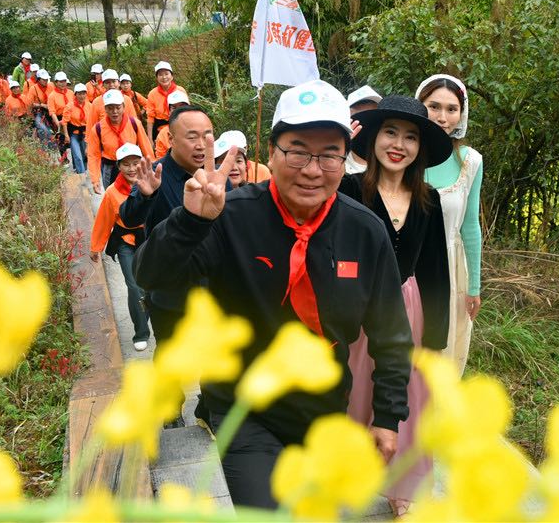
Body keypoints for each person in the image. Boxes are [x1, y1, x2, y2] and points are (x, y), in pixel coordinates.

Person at [132, 80, 413, 509]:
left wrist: (387, 417)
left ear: (346, 156)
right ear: (272, 150)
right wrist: (190, 222)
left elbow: (391, 335)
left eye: (328, 154)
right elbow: (152, 276)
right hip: (243, 408)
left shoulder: (364, 231)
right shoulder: (230, 215)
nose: (312, 169)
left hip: (322, 413)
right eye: (297, 150)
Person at [338, 95, 451, 515]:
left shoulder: (428, 199)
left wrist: (435, 338)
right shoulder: (349, 190)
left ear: (420, 148)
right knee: (356, 391)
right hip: (359, 309)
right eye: (389, 132)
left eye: (410, 136)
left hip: (412, 309)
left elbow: (437, 270)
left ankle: (403, 487)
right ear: (372, 138)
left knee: (410, 400)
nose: (398, 144)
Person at [119, 104, 216, 344]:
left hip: (212, 293)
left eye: (207, 135)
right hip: (170, 295)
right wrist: (145, 196)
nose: (201, 144)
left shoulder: (216, 177)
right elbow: (129, 217)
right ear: (171, 138)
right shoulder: (155, 174)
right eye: (192, 137)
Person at [416, 74, 483, 376]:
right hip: (408, 264)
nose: (443, 117)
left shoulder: (470, 162)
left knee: (443, 351)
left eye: (451, 109)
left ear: (462, 113)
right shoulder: (403, 153)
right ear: (420, 106)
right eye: (434, 106)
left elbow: (470, 226)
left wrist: (474, 286)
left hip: (451, 267)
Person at [91, 143, 152, 351]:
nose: (132, 168)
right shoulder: (112, 192)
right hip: (125, 241)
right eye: (126, 164)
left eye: (136, 163)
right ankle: (141, 332)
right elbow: (104, 220)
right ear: (118, 166)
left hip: (150, 241)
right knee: (134, 286)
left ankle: (146, 312)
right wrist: (96, 247)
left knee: (148, 286)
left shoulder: (152, 184)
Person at [86, 89, 153, 193]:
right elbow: (93, 155)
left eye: (118, 107)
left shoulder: (134, 123)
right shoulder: (98, 128)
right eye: (110, 108)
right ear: (105, 109)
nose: (115, 112)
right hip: (110, 168)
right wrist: (95, 180)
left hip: (133, 167)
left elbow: (146, 147)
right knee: (114, 198)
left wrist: (151, 167)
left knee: (136, 196)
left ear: (124, 107)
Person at [345, 85, 382, 173]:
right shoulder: (338, 155)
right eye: (359, 118)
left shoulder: (390, 156)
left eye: (373, 117)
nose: (366, 124)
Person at [146, 60, 186, 140]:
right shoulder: (152, 94)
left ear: (172, 76)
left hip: (178, 125)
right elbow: (150, 118)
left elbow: (187, 111)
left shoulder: (180, 90)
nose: (164, 77)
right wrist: (149, 139)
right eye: (160, 75)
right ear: (157, 78)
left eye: (166, 74)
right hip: (159, 129)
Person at [152, 90, 190, 160]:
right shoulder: (163, 134)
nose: (178, 110)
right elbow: (160, 160)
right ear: (169, 112)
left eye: (182, 106)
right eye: (174, 108)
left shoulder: (199, 127)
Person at [63, 83, 91, 175]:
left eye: (83, 93)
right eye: (79, 93)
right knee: (77, 155)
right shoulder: (69, 106)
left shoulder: (90, 106)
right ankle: (81, 174)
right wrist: (66, 135)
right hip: (74, 134)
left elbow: (92, 122)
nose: (82, 96)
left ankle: (82, 169)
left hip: (85, 133)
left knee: (84, 155)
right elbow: (65, 122)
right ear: (75, 95)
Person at [27, 69, 55, 149]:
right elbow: (30, 103)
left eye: (46, 79)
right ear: (38, 79)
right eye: (43, 79)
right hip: (39, 111)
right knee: (42, 127)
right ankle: (46, 147)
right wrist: (41, 105)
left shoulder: (51, 86)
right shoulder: (33, 88)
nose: (45, 81)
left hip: (51, 110)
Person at [47, 71, 72, 160]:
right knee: (61, 139)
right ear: (56, 83)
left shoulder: (70, 93)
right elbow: (52, 111)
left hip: (71, 117)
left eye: (64, 81)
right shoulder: (52, 96)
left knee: (72, 137)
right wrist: (57, 123)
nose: (62, 83)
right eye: (60, 82)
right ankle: (64, 158)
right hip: (60, 118)